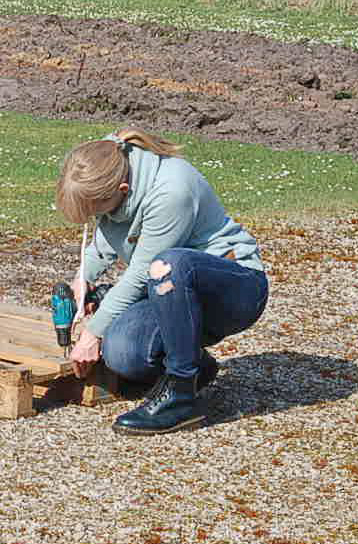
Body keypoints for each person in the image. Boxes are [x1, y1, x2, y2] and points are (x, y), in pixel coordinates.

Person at [55, 128, 268, 435]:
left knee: (169, 265)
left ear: (123, 189)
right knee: (124, 353)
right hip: (170, 290)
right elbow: (107, 230)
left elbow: (142, 273)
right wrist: (83, 276)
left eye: (96, 211)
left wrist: (92, 332)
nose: (96, 219)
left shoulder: (171, 191)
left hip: (236, 288)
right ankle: (196, 367)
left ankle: (180, 398)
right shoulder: (110, 166)